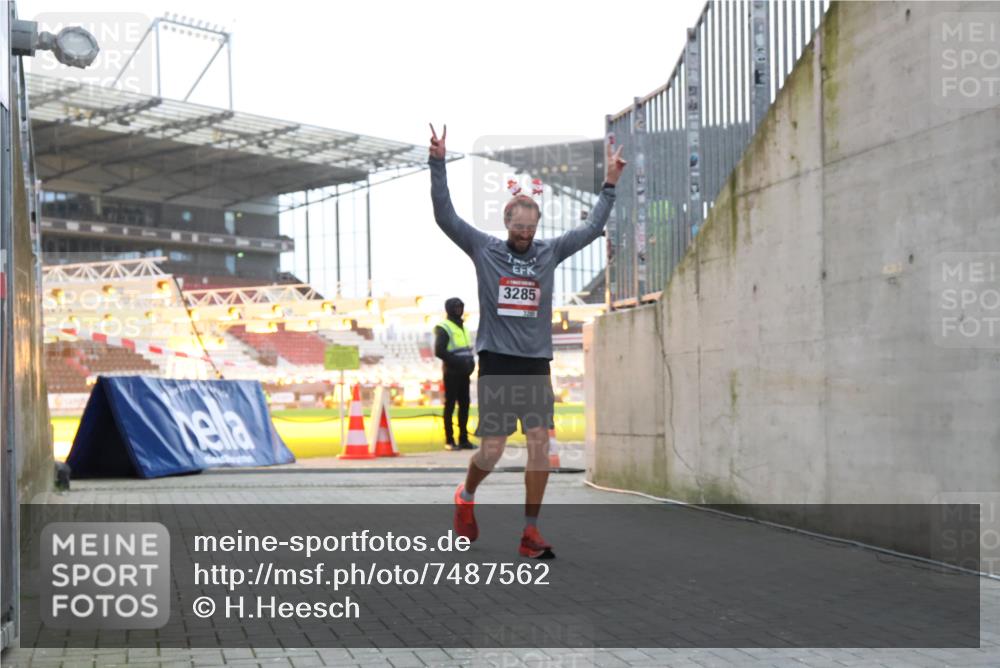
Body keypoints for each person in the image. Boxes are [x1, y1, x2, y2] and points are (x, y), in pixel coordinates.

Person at [428, 123, 626, 558]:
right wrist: (438, 164)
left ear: (537, 225)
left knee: (540, 445)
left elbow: (592, 229)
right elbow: (446, 218)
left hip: (535, 364)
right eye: (518, 227)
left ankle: (530, 532)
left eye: (531, 228)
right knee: (493, 451)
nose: (525, 234)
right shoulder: (484, 249)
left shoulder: (548, 253)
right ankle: (465, 494)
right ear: (506, 223)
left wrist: (609, 183)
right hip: (498, 363)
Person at [434, 297, 476, 451]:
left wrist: (470, 364)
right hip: (451, 372)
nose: (458, 309)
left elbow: (466, 349)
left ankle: (464, 439)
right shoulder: (444, 327)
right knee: (450, 405)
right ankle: (449, 440)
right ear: (449, 309)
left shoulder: (463, 327)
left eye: (460, 307)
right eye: (455, 307)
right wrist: (459, 362)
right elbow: (439, 351)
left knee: (465, 405)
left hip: (464, 373)